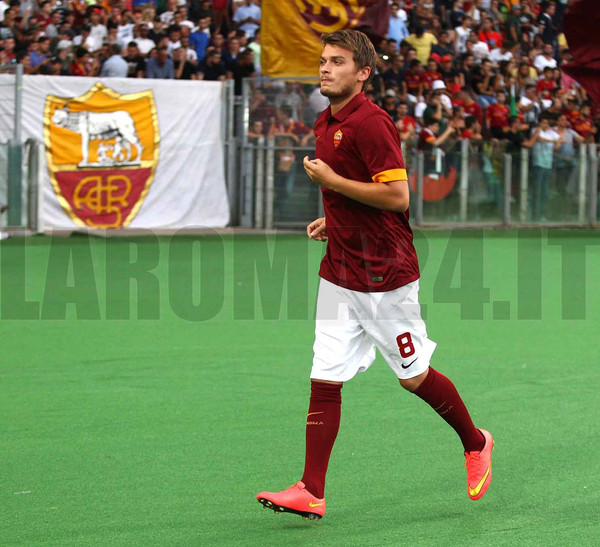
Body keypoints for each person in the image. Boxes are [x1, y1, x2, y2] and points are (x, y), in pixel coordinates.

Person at [256, 29, 494, 521]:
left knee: (414, 378)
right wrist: (334, 215)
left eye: (337, 61)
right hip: (340, 271)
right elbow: (354, 192)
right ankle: (311, 489)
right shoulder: (326, 121)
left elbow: (397, 197)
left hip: (387, 278)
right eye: (323, 60)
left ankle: (475, 443)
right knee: (325, 376)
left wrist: (334, 184)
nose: (325, 68)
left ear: (362, 73)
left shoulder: (372, 123)